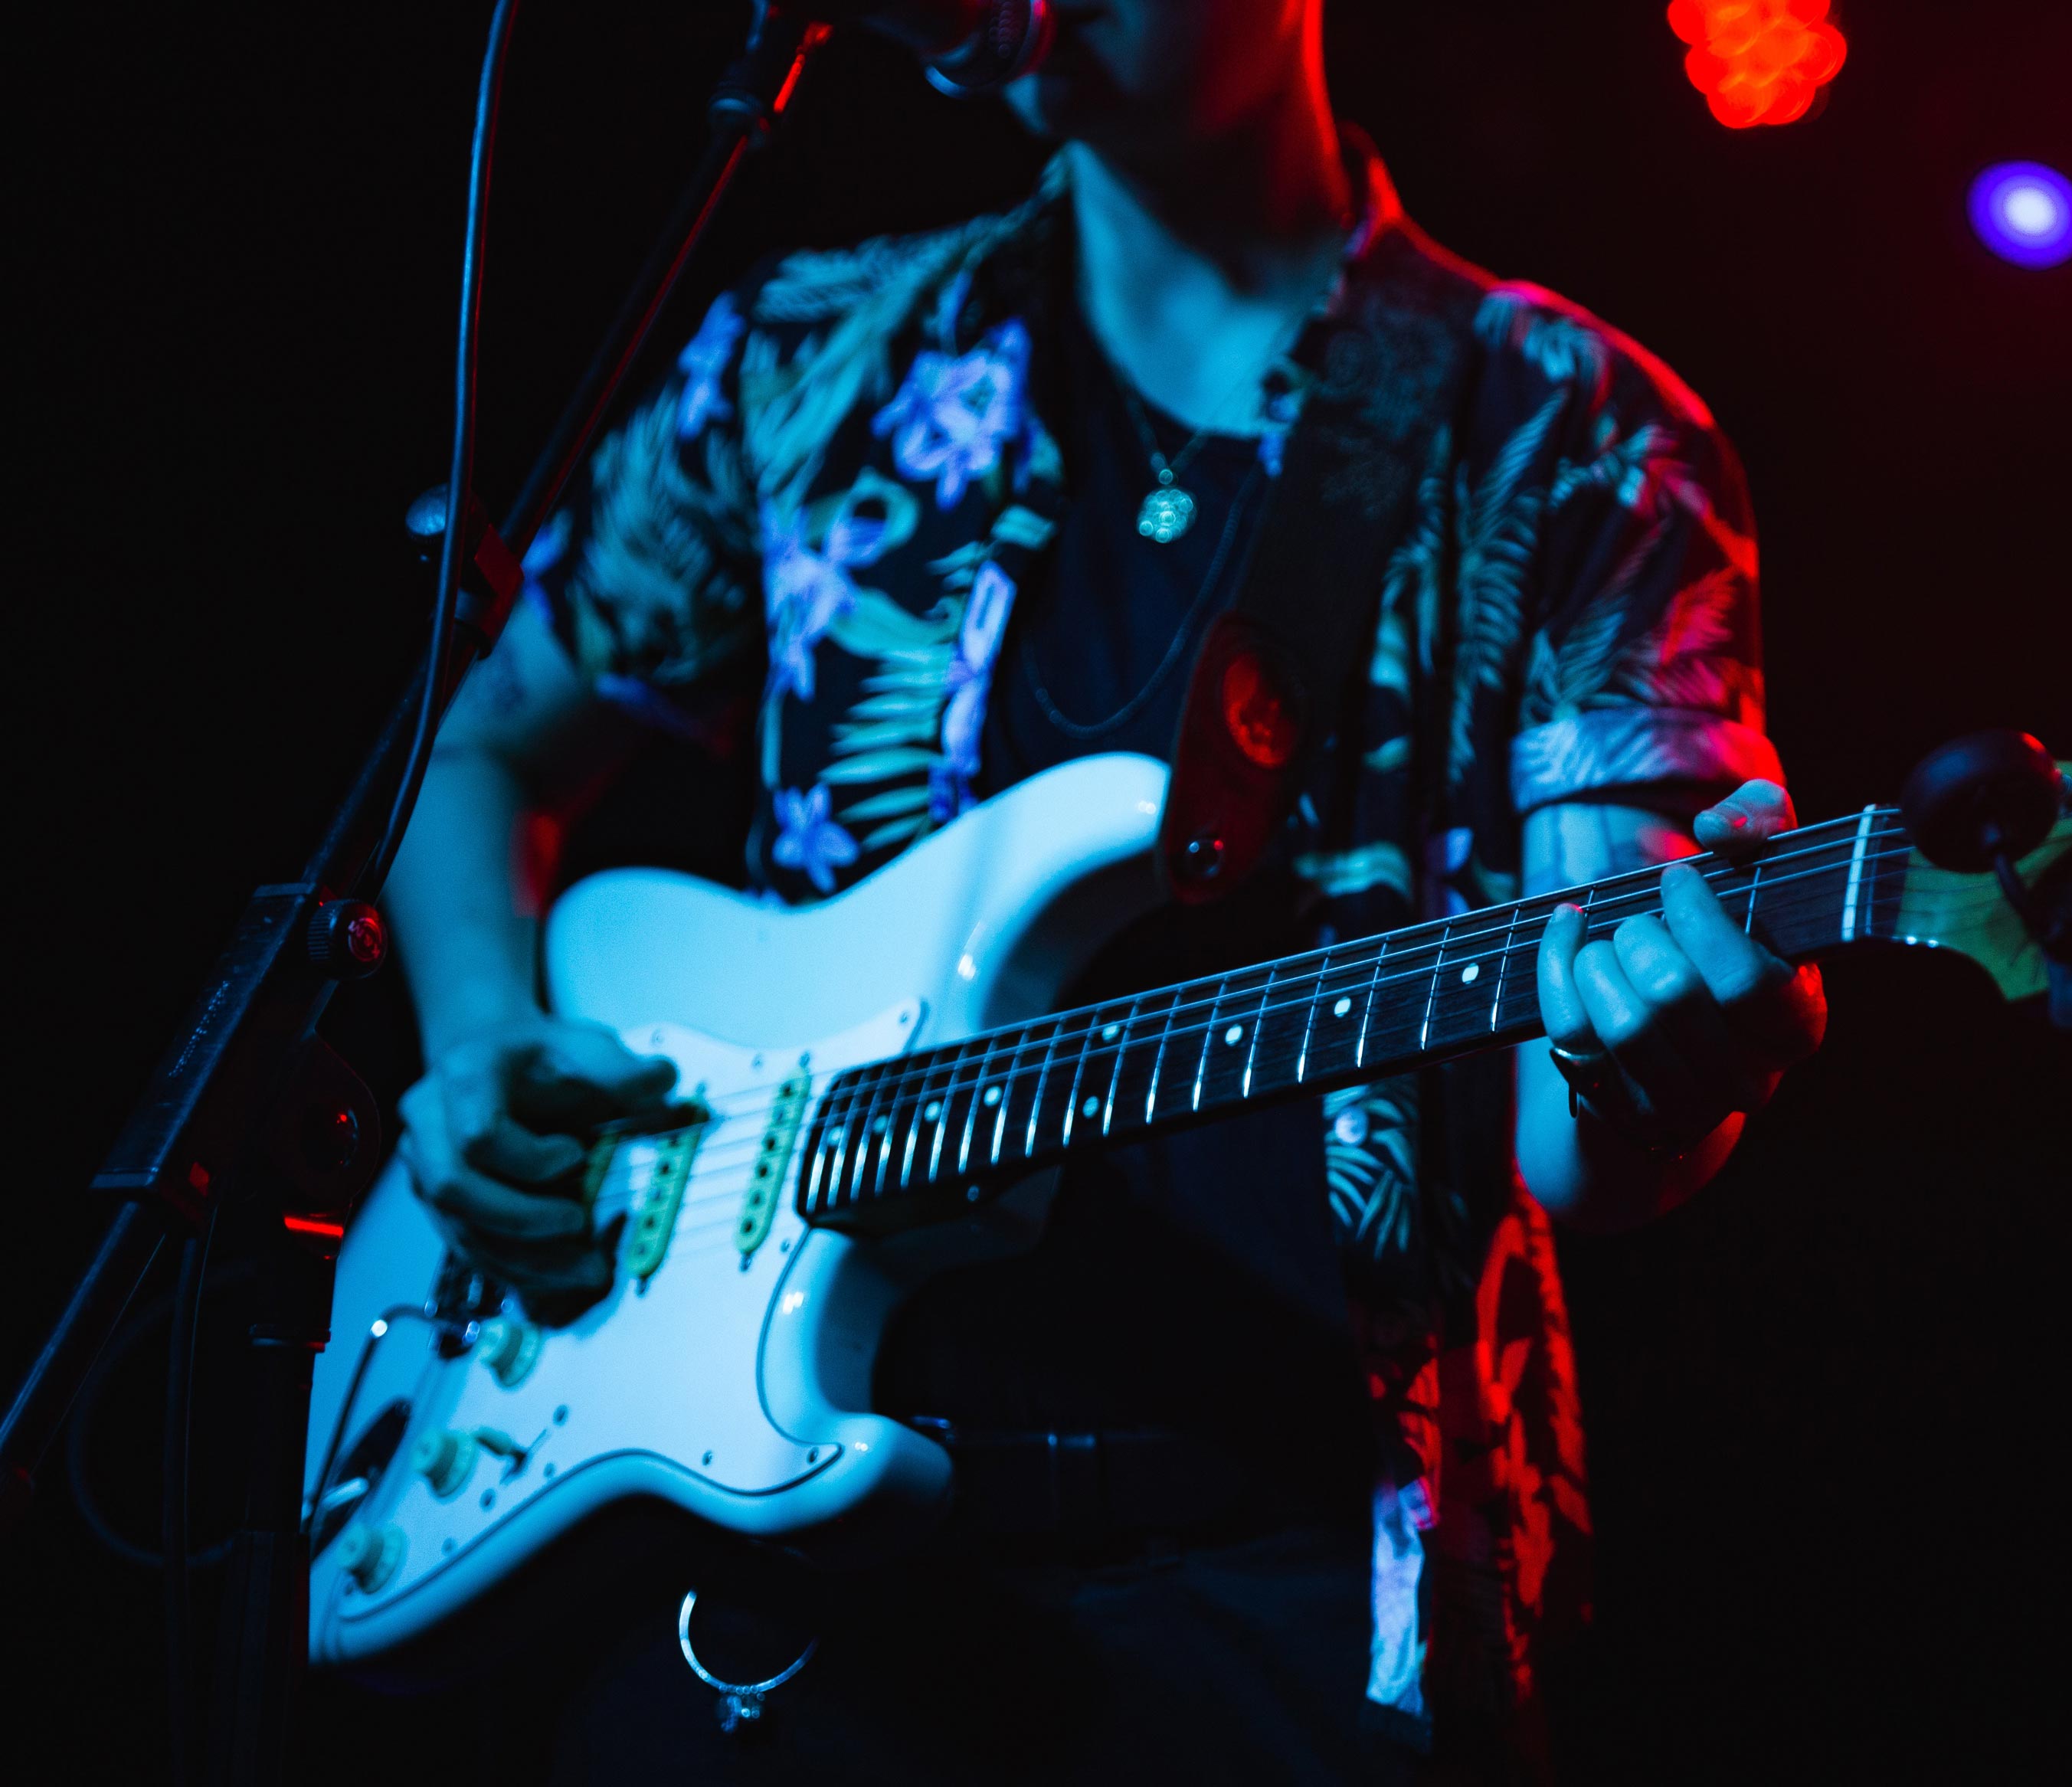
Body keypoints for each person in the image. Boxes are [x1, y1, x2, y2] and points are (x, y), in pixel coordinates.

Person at [381, 2, 1825, 1779]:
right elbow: (471, 753)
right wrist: (477, 1039)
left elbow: (1581, 1148)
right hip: (788, 1600)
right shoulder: (810, 356)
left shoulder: (1575, 434)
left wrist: (1658, 1059)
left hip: (1298, 1604)